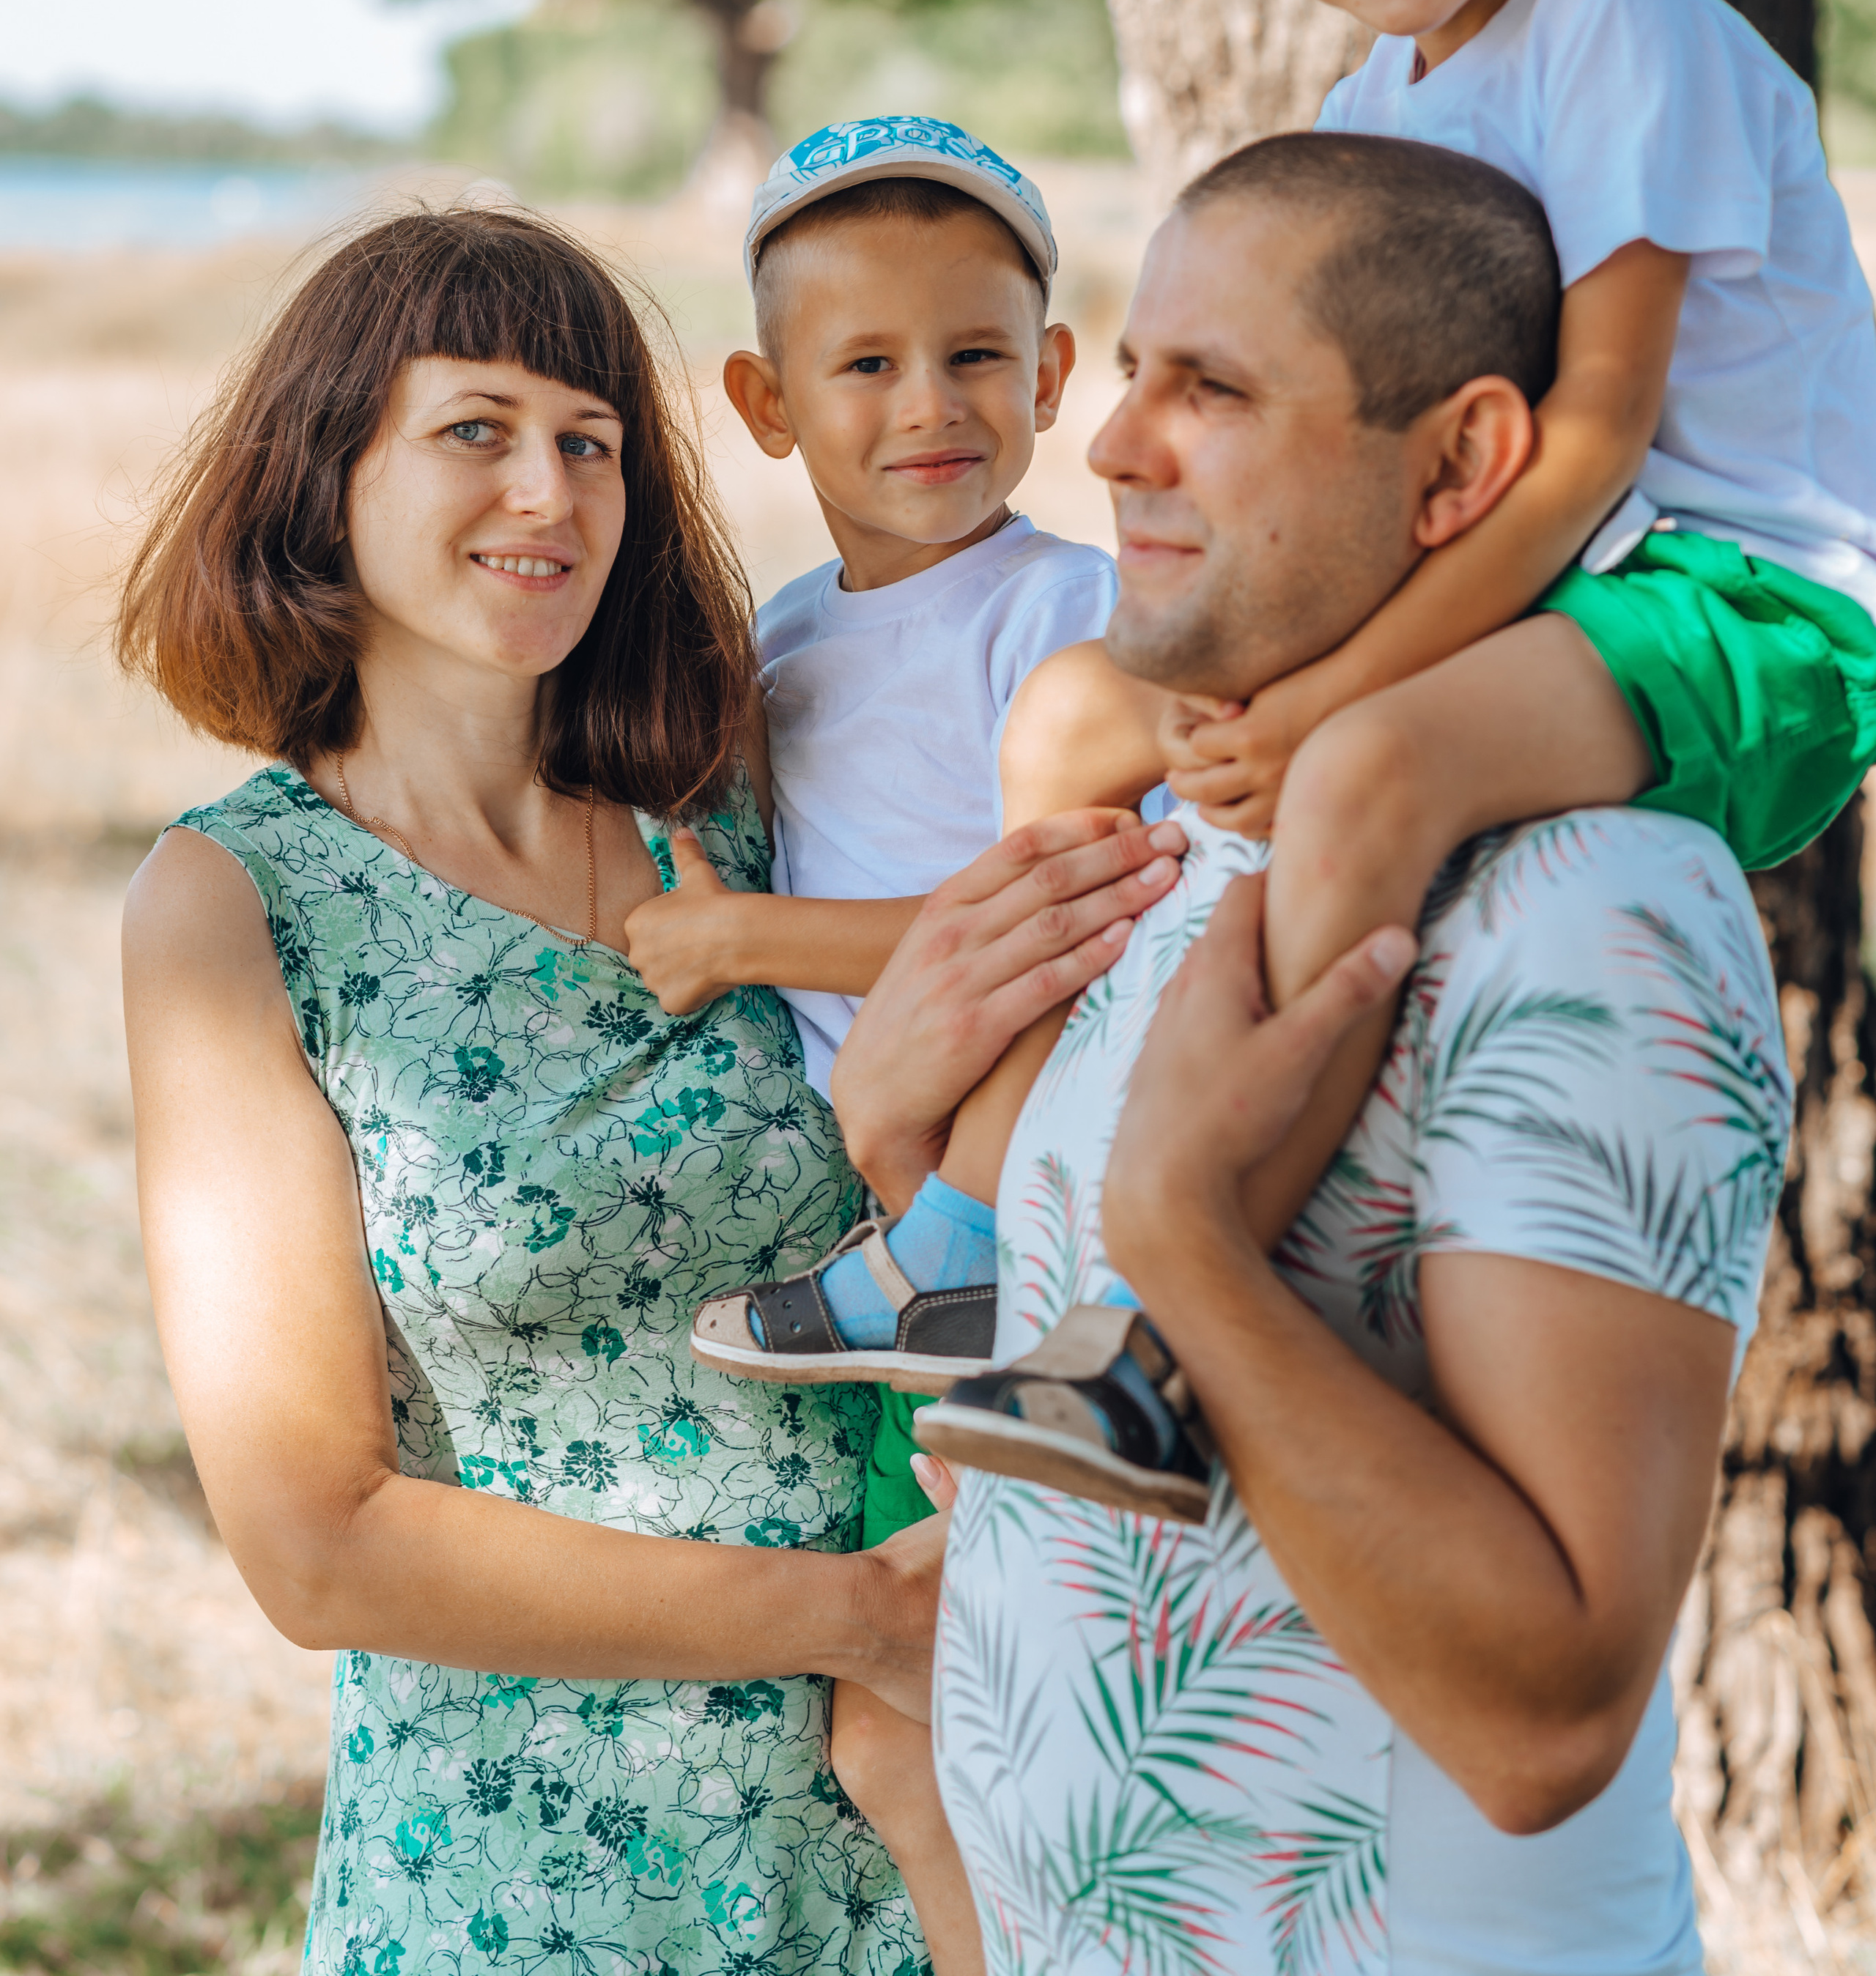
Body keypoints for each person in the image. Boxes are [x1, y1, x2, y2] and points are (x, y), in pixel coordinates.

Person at [797, 0, 1876, 1503]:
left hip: (1736, 597)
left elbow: (1596, 437)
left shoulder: (1632, 35)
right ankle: (974, 1232)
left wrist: (1329, 693)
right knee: (1066, 726)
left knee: (1365, 771)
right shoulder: (1378, 99)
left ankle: (1160, 1330)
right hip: (1523, 569)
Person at [115, 204, 1184, 1976]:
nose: (548, 493)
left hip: (924, 1840)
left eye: (589, 443)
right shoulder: (238, 906)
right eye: (476, 430)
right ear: (324, 477)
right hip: (530, 1870)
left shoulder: (740, 796)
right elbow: (318, 1542)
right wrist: (860, 1619)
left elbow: (965, 1145)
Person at [838, 136, 1792, 1969]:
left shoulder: (1583, 905)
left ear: (1462, 467)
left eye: (1214, 392)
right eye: (1130, 377)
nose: (1113, 450)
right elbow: (1032, 1459)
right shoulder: (1196, 851)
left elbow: (1542, 1719)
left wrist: (1183, 1241)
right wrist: (898, 1146)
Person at [618, 119, 1142, 1966]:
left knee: (1032, 1708)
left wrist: (740, 940)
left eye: (977, 356)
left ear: (1053, 376)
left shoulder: (1060, 614)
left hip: (1015, 1203)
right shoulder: (784, 645)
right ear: (767, 402)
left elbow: (1032, 918)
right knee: (896, 1730)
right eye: (865, 366)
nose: (929, 405)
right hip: (899, 1216)